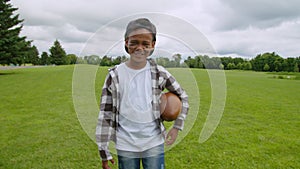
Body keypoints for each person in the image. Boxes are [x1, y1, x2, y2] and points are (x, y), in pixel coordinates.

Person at [96, 18, 189, 169]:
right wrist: (103, 149)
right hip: (125, 145)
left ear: (152, 45)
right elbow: (105, 114)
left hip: (154, 143)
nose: (140, 48)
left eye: (145, 44)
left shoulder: (160, 73)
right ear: (126, 42)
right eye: (134, 42)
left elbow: (183, 96)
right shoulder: (114, 75)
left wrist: (177, 126)